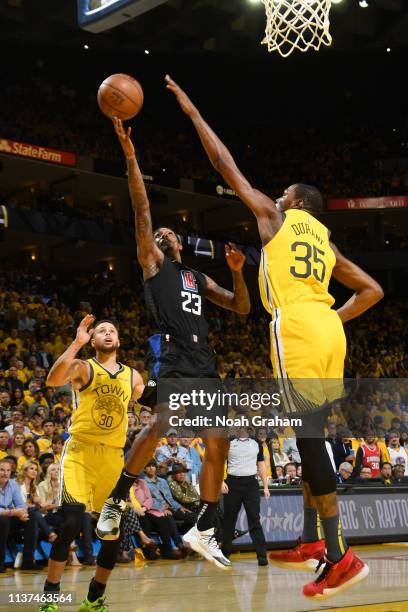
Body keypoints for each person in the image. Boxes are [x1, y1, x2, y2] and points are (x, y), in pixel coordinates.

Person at [165, 75, 383, 597]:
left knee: (307, 443)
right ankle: (313, 542)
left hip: (300, 330)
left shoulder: (277, 218)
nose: (277, 196)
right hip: (328, 331)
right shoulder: (326, 243)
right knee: (311, 435)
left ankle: (339, 556)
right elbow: (372, 290)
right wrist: (334, 318)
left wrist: (192, 111)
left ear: (296, 203)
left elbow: (224, 165)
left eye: (284, 193)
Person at [97, 116, 250, 571]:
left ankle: (203, 527)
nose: (164, 234)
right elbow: (142, 210)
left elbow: (241, 308)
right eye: (158, 235)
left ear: (180, 242)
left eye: (169, 234)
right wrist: (130, 156)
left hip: (204, 359)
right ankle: (119, 494)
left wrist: (239, 272)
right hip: (174, 353)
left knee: (217, 443)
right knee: (162, 424)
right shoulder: (154, 266)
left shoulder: (196, 277)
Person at [38, 315, 143, 612]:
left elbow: (152, 402)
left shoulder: (133, 376)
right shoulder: (84, 367)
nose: (107, 333)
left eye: (112, 330)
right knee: (71, 522)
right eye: (101, 331)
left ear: (119, 340)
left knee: (111, 530)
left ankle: (95, 597)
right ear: (93, 341)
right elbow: (52, 380)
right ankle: (50, 596)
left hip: (112, 458)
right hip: (80, 454)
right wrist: (76, 343)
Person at [221, 427, 269, 566]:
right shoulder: (228, 442)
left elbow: (261, 465)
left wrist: (266, 487)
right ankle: (225, 553)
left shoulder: (256, 443)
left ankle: (262, 555)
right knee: (229, 519)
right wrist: (221, 481)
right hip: (232, 483)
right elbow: (220, 463)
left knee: (254, 518)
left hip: (251, 484)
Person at [0, 458, 39, 572]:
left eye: (8, 470)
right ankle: (0, 562)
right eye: (2, 470)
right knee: (3, 520)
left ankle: (28, 561)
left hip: (9, 516)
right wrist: (12, 512)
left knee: (31, 516)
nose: (5, 473)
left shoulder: (12, 483)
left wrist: (22, 513)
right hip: (3, 518)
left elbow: (22, 505)